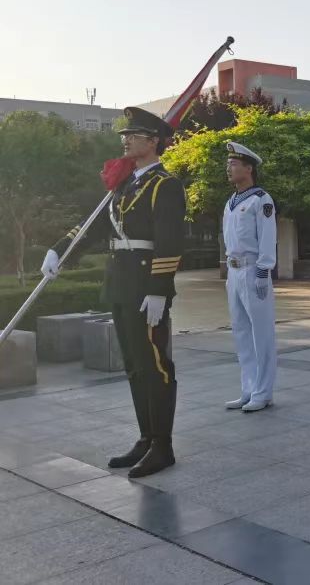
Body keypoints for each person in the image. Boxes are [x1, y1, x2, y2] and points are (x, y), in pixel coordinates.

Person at [41, 107, 185, 477]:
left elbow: (170, 241)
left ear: (153, 141)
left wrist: (159, 289)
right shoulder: (123, 185)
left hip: (146, 286)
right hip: (121, 283)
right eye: (125, 134)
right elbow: (91, 226)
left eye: (133, 135)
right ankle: (146, 438)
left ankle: (163, 446)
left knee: (155, 366)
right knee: (134, 365)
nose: (125, 139)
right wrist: (59, 250)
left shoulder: (165, 185)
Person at [222, 142, 278, 413]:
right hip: (233, 271)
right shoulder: (231, 202)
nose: (228, 168)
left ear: (248, 168)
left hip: (253, 270)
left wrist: (263, 271)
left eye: (233, 164)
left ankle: (263, 392)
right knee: (242, 333)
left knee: (261, 334)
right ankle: (248, 389)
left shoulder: (261, 200)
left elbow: (267, 237)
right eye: (228, 164)